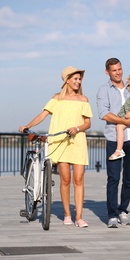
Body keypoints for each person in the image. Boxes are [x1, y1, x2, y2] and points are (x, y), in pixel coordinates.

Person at [19, 66, 93, 228]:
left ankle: (79, 217)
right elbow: (42, 115)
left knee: (79, 179)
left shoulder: (83, 100)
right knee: (65, 179)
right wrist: (27, 125)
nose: (78, 81)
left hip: (77, 141)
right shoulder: (56, 98)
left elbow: (88, 123)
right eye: (75, 78)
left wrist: (77, 128)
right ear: (67, 80)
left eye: (80, 79)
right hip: (60, 142)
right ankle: (67, 214)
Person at [96, 58, 130, 228]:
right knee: (113, 178)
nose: (118, 72)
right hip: (114, 140)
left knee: (129, 179)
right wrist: (124, 121)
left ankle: (123, 210)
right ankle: (112, 215)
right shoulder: (103, 90)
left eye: (120, 69)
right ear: (108, 72)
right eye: (114, 70)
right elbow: (104, 113)